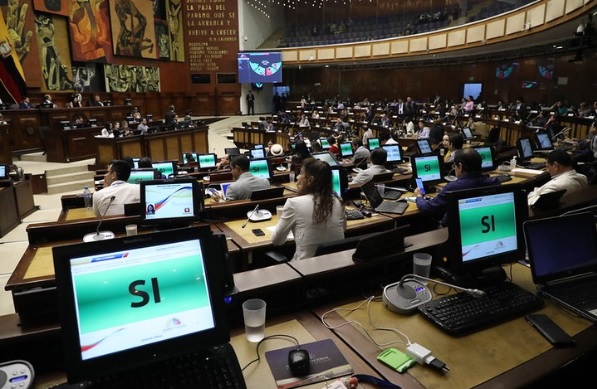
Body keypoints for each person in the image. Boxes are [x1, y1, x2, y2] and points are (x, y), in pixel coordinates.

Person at [272, 158, 346, 261]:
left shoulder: (294, 203)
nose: (298, 177)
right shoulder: (337, 201)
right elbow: (343, 229)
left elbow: (277, 241)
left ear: (310, 180)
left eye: (301, 173)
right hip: (336, 267)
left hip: (305, 270)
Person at [414, 148, 500, 227]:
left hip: (452, 230)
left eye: (454, 166)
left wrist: (419, 197)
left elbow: (428, 209)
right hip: (481, 225)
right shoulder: (494, 183)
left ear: (460, 166)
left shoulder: (452, 188)